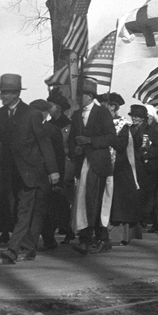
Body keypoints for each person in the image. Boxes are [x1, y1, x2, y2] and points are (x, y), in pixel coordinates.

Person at [0, 74, 59, 264]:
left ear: (17, 93)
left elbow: (43, 142)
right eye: (1, 92)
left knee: (24, 211)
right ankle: (29, 248)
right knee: (14, 210)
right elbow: (4, 144)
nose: (2, 96)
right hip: (10, 172)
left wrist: (53, 170)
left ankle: (12, 249)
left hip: (32, 172)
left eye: (6, 92)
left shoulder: (31, 114)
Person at [67, 77, 117, 253]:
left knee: (93, 201)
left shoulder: (102, 113)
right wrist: (76, 150)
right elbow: (71, 140)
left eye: (81, 95)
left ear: (89, 96)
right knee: (82, 201)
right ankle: (97, 238)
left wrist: (90, 141)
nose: (78, 98)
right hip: (82, 165)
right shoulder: (76, 115)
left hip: (98, 164)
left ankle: (87, 240)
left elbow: (112, 138)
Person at [39, 91, 74, 249]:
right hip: (50, 166)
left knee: (64, 200)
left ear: (58, 107)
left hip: (65, 166)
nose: (48, 108)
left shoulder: (69, 126)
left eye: (51, 105)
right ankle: (55, 232)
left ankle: (67, 228)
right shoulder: (48, 125)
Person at [131, 104, 158, 236]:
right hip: (133, 166)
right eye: (133, 116)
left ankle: (150, 221)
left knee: (149, 196)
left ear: (143, 118)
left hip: (147, 167)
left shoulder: (151, 130)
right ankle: (138, 222)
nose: (134, 119)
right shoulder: (129, 129)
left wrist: (146, 155)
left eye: (137, 117)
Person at [107, 95, 143, 244]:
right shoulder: (101, 122)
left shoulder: (123, 125)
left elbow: (123, 146)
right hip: (104, 165)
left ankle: (121, 235)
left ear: (113, 107)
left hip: (120, 166)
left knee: (120, 202)